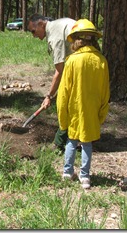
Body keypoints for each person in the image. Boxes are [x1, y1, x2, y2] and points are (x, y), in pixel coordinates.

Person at [56, 19, 110, 189]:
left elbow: (63, 92)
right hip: (92, 109)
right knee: (87, 142)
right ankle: (85, 177)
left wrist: (62, 116)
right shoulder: (101, 60)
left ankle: (67, 172)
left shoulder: (71, 61)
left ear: (76, 40)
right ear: (93, 39)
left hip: (74, 109)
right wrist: (102, 112)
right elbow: (105, 91)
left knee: (71, 140)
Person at [27, 14, 76, 152]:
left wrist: (48, 96)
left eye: (33, 31)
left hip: (83, 65)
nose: (33, 35)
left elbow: (59, 71)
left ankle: (60, 143)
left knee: (64, 103)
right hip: (83, 63)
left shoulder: (55, 35)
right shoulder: (57, 26)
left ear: (41, 24)